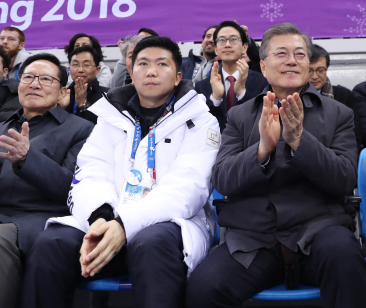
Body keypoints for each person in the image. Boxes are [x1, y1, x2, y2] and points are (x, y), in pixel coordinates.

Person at [21, 37, 220, 308]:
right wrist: (100, 217)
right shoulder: (110, 117)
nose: (151, 71)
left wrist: (125, 224)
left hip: (168, 228)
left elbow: (188, 188)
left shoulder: (201, 120)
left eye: (162, 64)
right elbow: (91, 172)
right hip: (107, 221)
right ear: (131, 72)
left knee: (152, 242)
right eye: (143, 63)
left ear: (177, 77)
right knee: (51, 243)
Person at [187, 22, 366, 308]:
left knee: (346, 259)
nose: (291, 61)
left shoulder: (338, 113)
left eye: (299, 54)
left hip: (319, 231)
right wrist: (262, 150)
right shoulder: (240, 115)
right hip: (254, 238)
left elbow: (344, 179)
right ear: (263, 64)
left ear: (309, 64)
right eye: (281, 54)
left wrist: (299, 140)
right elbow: (222, 179)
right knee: (204, 287)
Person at [0, 53, 93, 308]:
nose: (34, 84)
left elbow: (72, 191)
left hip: (36, 224)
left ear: (63, 91)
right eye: (28, 77)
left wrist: (26, 160)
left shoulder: (81, 131)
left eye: (45, 79)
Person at [194, 21, 268, 132]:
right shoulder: (202, 86)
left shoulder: (262, 81)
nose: (227, 45)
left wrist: (242, 93)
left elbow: (262, 117)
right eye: (222, 40)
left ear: (244, 47)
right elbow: (200, 124)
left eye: (233, 39)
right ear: (215, 49)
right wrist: (216, 99)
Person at [309, 44, 361, 146]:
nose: (315, 76)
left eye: (320, 70)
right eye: (309, 71)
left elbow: (355, 136)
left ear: (327, 69)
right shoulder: (292, 98)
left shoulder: (345, 96)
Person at [60, 46, 109, 124]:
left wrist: (83, 106)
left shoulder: (108, 96)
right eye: (75, 64)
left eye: (86, 65)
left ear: (97, 70)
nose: (80, 70)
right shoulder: (63, 94)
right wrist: (60, 108)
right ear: (69, 69)